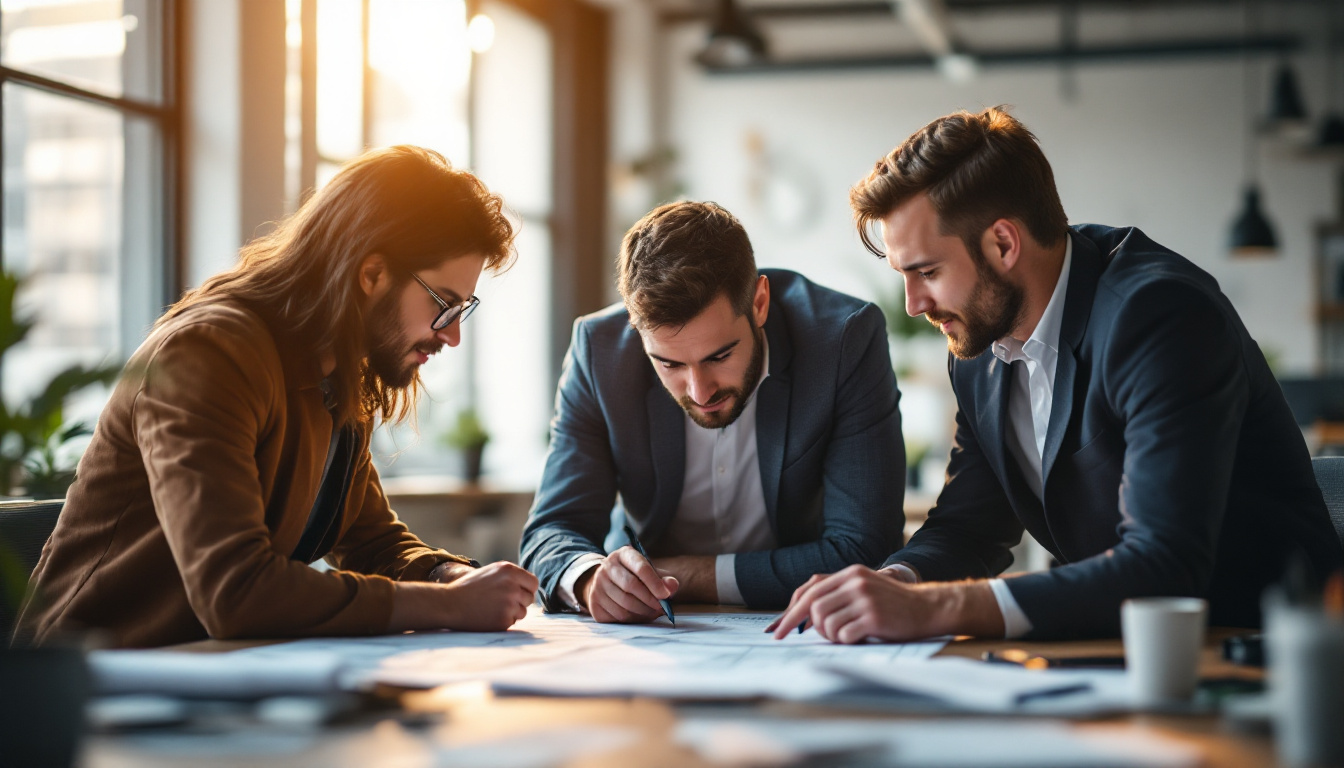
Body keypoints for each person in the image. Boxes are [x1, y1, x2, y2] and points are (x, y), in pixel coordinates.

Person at [772, 107, 1344, 643]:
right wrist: (899, 581)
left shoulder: (1159, 315)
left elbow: (1164, 564)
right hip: (1121, 653)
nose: (914, 303)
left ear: (1003, 242)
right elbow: (970, 527)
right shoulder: (977, 347)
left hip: (1271, 650)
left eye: (926, 271)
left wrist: (934, 609)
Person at [17, 146, 538, 648]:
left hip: (211, 672)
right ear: (373, 274)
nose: (451, 336)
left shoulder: (338, 376)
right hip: (92, 688)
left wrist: (449, 577)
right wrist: (448, 607)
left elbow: (370, 538)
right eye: (443, 305)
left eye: (461, 310)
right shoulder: (207, 353)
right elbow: (235, 590)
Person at [520, 201, 904, 623]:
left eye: (719, 355)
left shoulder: (843, 339)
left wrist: (683, 574)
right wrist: (593, 579)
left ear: (759, 303)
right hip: (647, 631)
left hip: (797, 621)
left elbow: (864, 548)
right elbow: (550, 532)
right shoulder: (600, 351)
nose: (699, 392)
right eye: (669, 363)